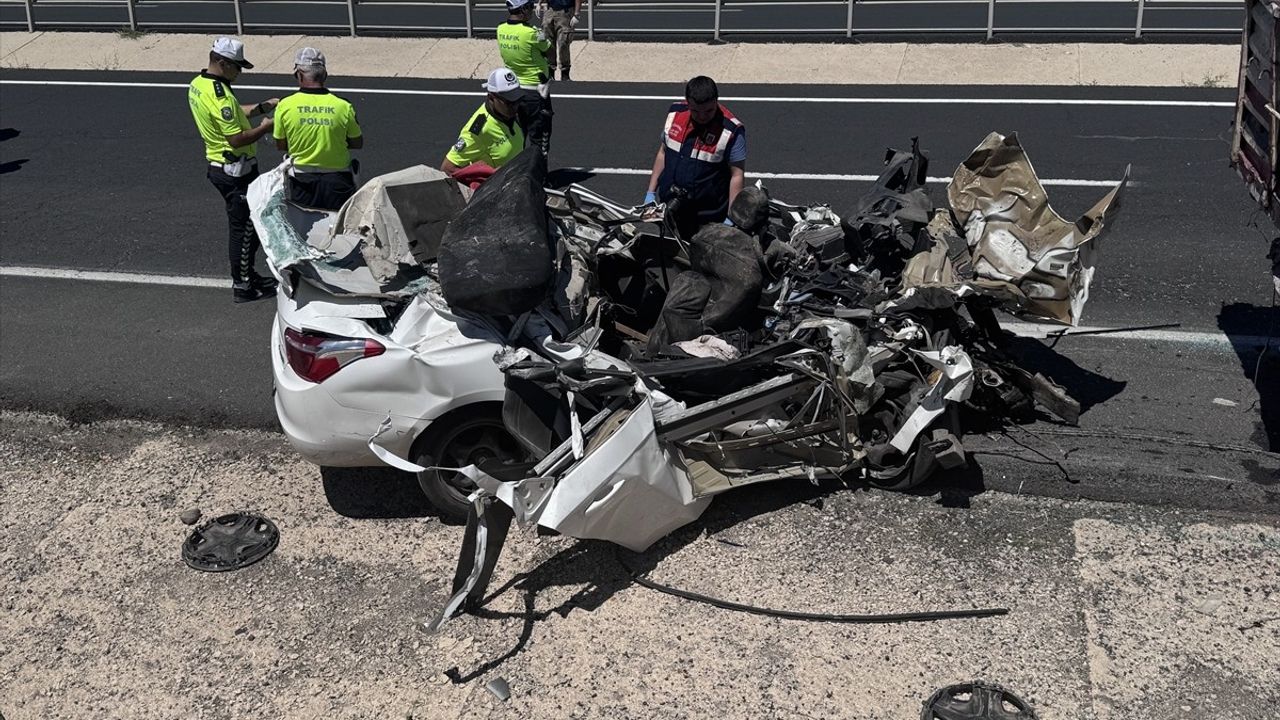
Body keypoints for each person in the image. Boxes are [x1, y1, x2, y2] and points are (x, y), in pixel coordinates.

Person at [188, 37, 280, 303]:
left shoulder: (200, 84)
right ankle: (243, 286)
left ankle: (248, 275)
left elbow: (231, 113)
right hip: (234, 170)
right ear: (221, 62)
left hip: (221, 166)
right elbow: (237, 137)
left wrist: (261, 107)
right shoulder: (220, 95)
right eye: (237, 67)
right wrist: (265, 126)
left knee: (246, 226)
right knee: (245, 229)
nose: (239, 73)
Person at [644, 76, 746, 240]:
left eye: (709, 111)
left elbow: (737, 175)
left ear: (716, 102)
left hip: (708, 218)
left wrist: (731, 217)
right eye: (696, 111)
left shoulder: (731, 131)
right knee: (672, 259)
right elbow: (663, 152)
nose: (702, 116)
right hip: (671, 209)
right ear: (688, 103)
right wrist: (650, 192)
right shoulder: (675, 113)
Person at [273, 48, 364, 211]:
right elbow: (357, 142)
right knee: (337, 230)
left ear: (299, 75)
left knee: (301, 231)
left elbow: (280, 145)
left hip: (301, 181)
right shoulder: (343, 106)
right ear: (324, 75)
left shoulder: (285, 105)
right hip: (338, 181)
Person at [441, 68, 526, 178]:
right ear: (491, 97)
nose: (515, 106)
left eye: (518, 99)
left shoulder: (510, 112)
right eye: (509, 102)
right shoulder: (478, 131)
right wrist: (488, 176)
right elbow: (447, 169)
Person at [497, 0, 554, 154]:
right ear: (522, 9)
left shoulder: (500, 29)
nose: (531, 10)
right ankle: (539, 175)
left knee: (518, 135)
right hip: (535, 91)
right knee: (540, 137)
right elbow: (549, 50)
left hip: (513, 90)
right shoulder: (531, 33)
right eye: (529, 6)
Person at [540, 0, 581, 81]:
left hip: (565, 11)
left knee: (563, 43)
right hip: (550, 10)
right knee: (548, 42)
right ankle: (550, 72)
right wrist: (539, 3)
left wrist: (577, 13)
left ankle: (565, 73)